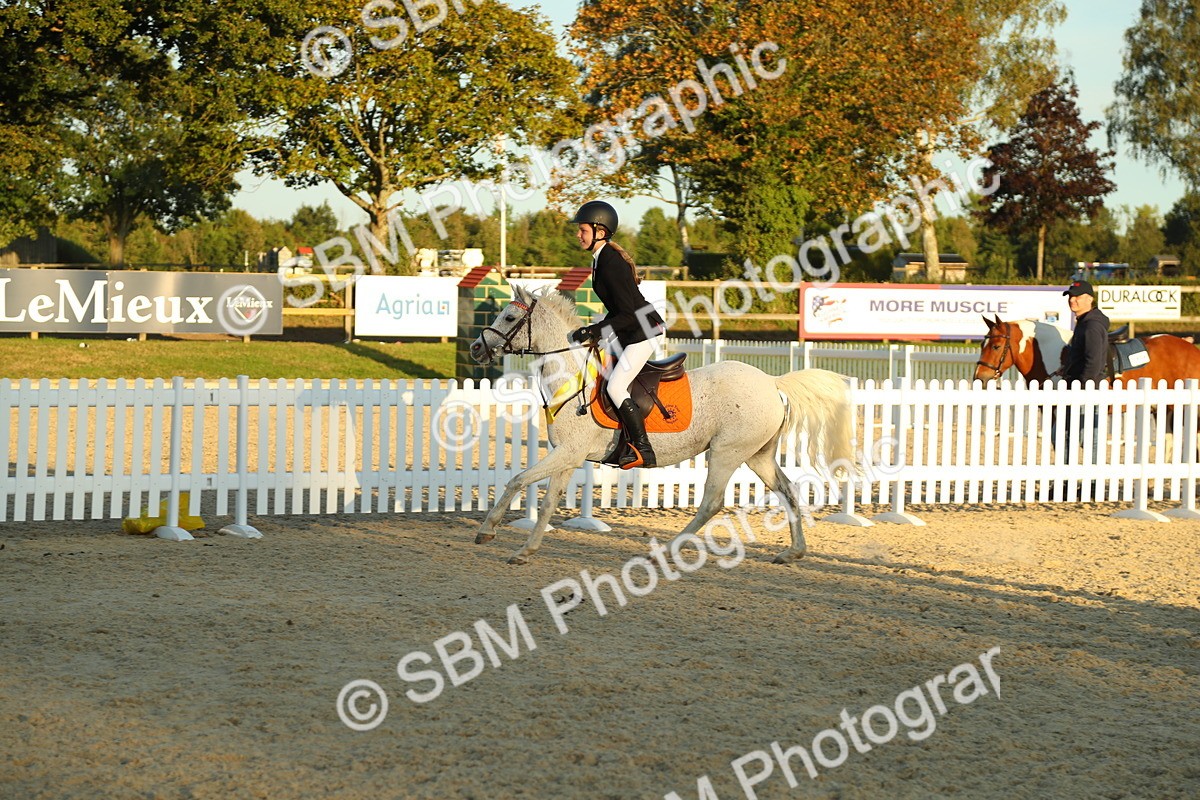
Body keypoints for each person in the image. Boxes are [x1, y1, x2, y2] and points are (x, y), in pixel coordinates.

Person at [566, 200, 666, 469]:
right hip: (631, 329)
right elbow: (619, 310)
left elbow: (629, 314)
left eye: (583, 230)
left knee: (616, 386)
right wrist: (594, 330)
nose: (578, 234)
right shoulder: (602, 258)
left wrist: (596, 330)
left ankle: (643, 448)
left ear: (600, 231)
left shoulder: (611, 262)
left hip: (643, 330)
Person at [1054, 279, 1110, 468]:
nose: (1072, 300)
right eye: (1070, 296)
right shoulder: (1084, 322)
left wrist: (1083, 387)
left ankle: (1087, 480)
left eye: (1077, 297)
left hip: (1086, 390)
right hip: (1083, 387)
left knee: (1083, 437)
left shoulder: (1091, 326)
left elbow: (1093, 361)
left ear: (1089, 299)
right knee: (1073, 435)